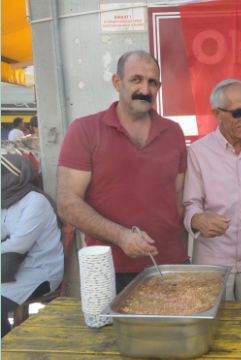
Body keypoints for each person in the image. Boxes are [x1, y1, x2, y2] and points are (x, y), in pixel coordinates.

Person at [57, 50, 189, 294]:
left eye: (152, 82)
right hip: (108, 270)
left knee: (172, 333)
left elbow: (180, 201)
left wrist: (185, 255)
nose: (145, 90)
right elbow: (67, 202)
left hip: (171, 266)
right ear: (117, 82)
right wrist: (120, 236)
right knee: (112, 334)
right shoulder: (85, 130)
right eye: (136, 79)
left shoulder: (174, 132)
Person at [183, 79, 241, 301]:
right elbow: (191, 204)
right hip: (213, 262)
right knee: (214, 330)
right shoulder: (198, 153)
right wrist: (197, 220)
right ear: (217, 114)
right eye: (237, 113)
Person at [1, 154, 63, 338]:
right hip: (11, 268)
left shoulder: (35, 202)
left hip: (40, 271)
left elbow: (18, 245)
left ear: (15, 177)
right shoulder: (5, 200)